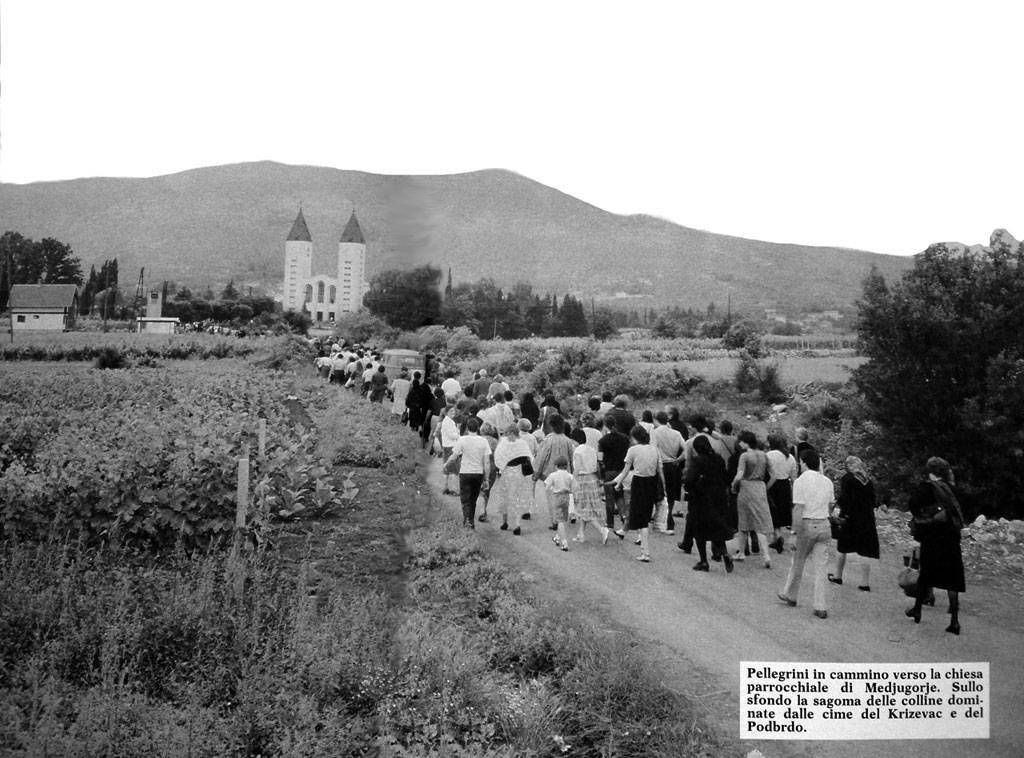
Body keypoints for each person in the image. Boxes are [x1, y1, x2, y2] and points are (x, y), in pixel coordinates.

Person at [905, 457, 965, 635]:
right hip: (952, 537)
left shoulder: (926, 487)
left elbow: (913, 505)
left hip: (932, 536)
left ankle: (917, 610)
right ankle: (954, 621)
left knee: (926, 573)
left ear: (929, 470)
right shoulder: (953, 489)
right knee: (953, 578)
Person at [778, 449, 835, 619]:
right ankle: (820, 605)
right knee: (821, 567)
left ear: (803, 462)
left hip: (807, 524)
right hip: (824, 524)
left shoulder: (800, 482)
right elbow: (831, 504)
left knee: (798, 561)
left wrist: (794, 532)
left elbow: (798, 508)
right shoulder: (827, 481)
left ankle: (791, 594)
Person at [610, 425, 664, 563]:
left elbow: (625, 470)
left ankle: (645, 552)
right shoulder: (655, 450)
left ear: (634, 437)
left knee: (640, 518)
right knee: (645, 515)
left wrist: (617, 484)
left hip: (639, 483)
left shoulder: (633, 450)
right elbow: (660, 471)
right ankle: (641, 546)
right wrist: (664, 488)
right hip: (651, 482)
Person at [829, 456, 883, 591]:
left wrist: (840, 512)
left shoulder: (847, 479)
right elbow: (872, 499)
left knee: (842, 546)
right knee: (865, 550)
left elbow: (844, 498)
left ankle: (838, 576)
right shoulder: (867, 480)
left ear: (849, 466)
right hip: (867, 518)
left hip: (851, 517)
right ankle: (865, 583)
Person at [683, 435, 735, 572]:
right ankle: (724, 553)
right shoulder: (718, 459)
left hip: (701, 498)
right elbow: (725, 476)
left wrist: (689, 488)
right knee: (716, 528)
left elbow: (689, 480)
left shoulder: (697, 461)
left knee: (699, 531)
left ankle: (703, 561)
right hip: (718, 498)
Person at [730, 431, 774, 568]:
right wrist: (766, 487)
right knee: (759, 522)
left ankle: (741, 552)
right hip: (760, 487)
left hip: (746, 488)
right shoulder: (763, 455)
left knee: (744, 521)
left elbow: (739, 475)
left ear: (745, 442)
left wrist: (733, 485)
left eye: (741, 441)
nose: (739, 443)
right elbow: (774, 475)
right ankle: (766, 555)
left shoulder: (744, 456)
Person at [533, 414, 578, 530]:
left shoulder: (548, 440)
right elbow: (572, 458)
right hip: (565, 472)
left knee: (551, 497)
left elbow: (542, 457)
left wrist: (537, 472)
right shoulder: (568, 441)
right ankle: (561, 518)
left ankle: (554, 521)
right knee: (563, 496)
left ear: (551, 426)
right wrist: (572, 473)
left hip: (550, 473)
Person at [491, 423, 535, 534]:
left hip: (507, 472)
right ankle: (516, 524)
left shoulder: (503, 443)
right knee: (516, 497)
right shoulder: (522, 443)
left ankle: (507, 522)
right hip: (519, 472)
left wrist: (501, 467)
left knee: (505, 496)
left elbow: (498, 457)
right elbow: (529, 457)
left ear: (510, 433)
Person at [450, 417, 491, 528]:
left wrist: (446, 465)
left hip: (465, 472)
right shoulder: (484, 441)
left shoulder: (462, 440)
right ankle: (470, 521)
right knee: (473, 498)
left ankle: (467, 521)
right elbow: (487, 462)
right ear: (478, 428)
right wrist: (486, 478)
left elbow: (454, 456)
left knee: (465, 498)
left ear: (467, 428)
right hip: (478, 473)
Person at [571, 435, 610, 544]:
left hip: (583, 479)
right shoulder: (591, 449)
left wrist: (573, 480)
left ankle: (602, 530)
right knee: (587, 507)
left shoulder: (578, 450)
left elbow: (577, 467)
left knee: (583, 507)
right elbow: (597, 465)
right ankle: (581, 534)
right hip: (592, 477)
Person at [652, 411, 685, 535]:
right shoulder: (676, 433)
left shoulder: (654, 433)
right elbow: (685, 450)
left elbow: (653, 449)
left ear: (656, 420)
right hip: (673, 465)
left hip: (661, 465)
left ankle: (663, 519)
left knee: (660, 493)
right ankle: (669, 517)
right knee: (671, 494)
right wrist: (678, 459)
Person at [765, 432, 798, 553]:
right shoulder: (790, 457)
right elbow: (794, 476)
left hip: (773, 484)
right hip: (785, 485)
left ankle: (777, 537)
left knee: (773, 511)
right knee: (782, 511)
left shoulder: (769, 455)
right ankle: (777, 537)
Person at [598, 414, 631, 535]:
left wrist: (601, 475)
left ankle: (610, 521)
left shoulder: (603, 441)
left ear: (605, 426)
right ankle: (623, 515)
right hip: (622, 470)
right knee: (620, 495)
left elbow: (600, 459)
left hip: (609, 470)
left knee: (609, 497)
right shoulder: (624, 439)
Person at [544, 457, 574, 551]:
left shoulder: (553, 475)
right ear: (566, 466)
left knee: (559, 521)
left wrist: (552, 489)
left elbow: (547, 487)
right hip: (566, 497)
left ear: (556, 466)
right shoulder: (570, 476)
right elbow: (574, 488)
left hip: (557, 497)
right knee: (562, 519)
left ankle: (564, 543)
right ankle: (557, 537)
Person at [440, 407, 461, 494]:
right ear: (446, 412)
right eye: (451, 411)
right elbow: (452, 435)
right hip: (450, 447)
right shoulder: (447, 422)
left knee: (447, 467)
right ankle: (454, 489)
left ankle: (446, 487)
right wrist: (459, 435)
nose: (453, 412)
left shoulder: (449, 421)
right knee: (454, 469)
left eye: (454, 410)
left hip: (447, 446)